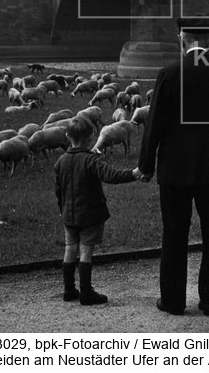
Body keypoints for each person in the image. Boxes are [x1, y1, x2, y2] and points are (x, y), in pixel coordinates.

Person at [138, 17, 209, 316]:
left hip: (175, 169)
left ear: (182, 40)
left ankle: (173, 301)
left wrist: (146, 164)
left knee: (174, 234)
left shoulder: (169, 74)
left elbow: (154, 126)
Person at [54, 115, 142, 305]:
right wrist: (134, 173)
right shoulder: (90, 160)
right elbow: (111, 175)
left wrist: (63, 210)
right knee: (86, 251)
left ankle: (69, 290)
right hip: (90, 215)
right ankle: (86, 292)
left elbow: (58, 191)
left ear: (67, 136)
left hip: (69, 215)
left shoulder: (60, 161)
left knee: (70, 249)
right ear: (90, 137)